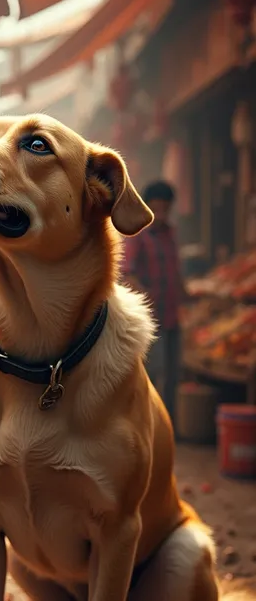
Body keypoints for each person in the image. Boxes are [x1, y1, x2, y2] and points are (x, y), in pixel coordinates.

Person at [122, 180, 187, 424]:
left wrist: (188, 296)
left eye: (165, 209)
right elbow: (127, 273)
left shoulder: (170, 233)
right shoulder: (137, 234)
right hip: (150, 320)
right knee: (153, 374)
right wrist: (145, 294)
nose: (160, 215)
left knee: (172, 375)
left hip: (171, 315)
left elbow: (175, 272)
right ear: (147, 207)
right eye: (156, 209)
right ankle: (148, 423)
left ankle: (168, 424)